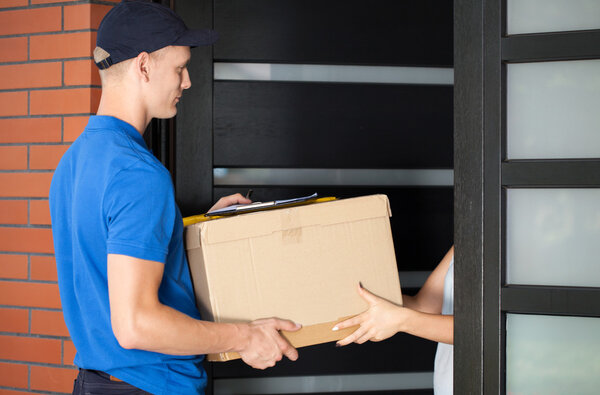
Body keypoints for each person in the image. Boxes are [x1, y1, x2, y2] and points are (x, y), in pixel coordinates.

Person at [49, 1, 300, 394]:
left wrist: (185, 227)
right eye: (180, 68)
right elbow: (135, 326)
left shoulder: (74, 161)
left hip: (96, 383)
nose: (187, 82)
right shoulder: (138, 173)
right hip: (152, 384)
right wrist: (245, 337)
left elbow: (108, 249)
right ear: (144, 65)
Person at [333, 246, 454, 395]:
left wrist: (400, 320)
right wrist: (362, 300)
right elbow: (424, 306)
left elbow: (486, 331)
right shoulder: (471, 234)